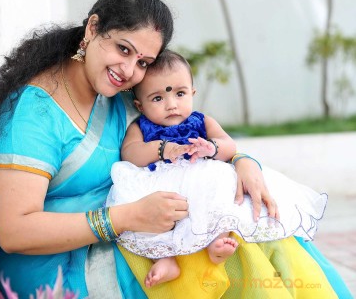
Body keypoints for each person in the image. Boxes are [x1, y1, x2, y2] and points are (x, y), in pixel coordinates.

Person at [0, 0, 351, 299]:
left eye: (144, 62)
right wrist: (128, 216)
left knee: (261, 228)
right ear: (93, 28)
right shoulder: (32, 113)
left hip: (129, 230)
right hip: (63, 269)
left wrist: (242, 161)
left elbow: (185, 128)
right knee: (241, 254)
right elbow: (15, 232)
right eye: (124, 49)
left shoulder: (113, 92)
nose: (129, 71)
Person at [107, 50, 328, 289]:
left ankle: (217, 240)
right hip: (161, 184)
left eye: (180, 94)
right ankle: (163, 258)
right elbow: (130, 153)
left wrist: (210, 148)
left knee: (218, 195)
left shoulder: (202, 121)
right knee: (146, 213)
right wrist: (161, 149)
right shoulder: (140, 127)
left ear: (192, 93)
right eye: (158, 99)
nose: (171, 105)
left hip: (200, 178)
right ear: (140, 105)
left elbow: (229, 145)